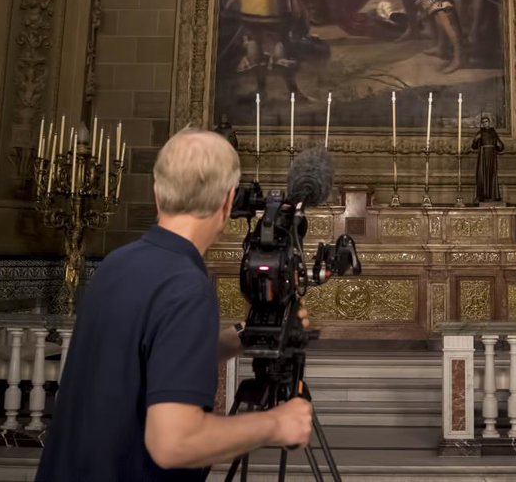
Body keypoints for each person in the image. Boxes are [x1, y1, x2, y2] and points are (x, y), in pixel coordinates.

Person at [35, 129, 313, 481]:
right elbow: (173, 443)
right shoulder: (187, 287)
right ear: (228, 202)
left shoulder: (117, 264)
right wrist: (276, 423)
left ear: (157, 194)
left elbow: (147, 360)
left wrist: (243, 336)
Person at [471, 114, 505, 204]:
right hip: (483, 156)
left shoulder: (493, 132)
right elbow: (474, 146)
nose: (485, 124)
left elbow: (500, 146)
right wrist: (475, 139)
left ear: (489, 122)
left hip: (491, 156)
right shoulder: (480, 133)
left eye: (487, 121)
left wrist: (498, 144)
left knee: (492, 174)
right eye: (483, 122)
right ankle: (482, 195)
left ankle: (493, 195)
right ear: (482, 124)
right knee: (482, 174)